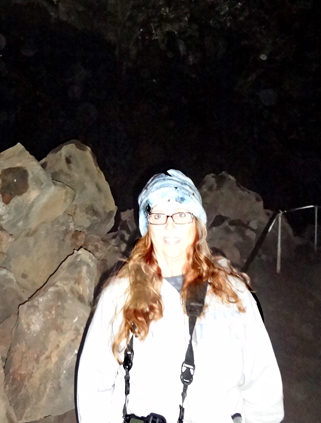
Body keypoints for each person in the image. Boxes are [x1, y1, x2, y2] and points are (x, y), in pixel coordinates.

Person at [76, 169, 284, 423]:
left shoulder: (233, 293)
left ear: (196, 224)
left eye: (181, 214)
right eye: (159, 215)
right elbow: (93, 386)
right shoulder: (119, 295)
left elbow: (263, 386)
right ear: (147, 225)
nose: (170, 224)